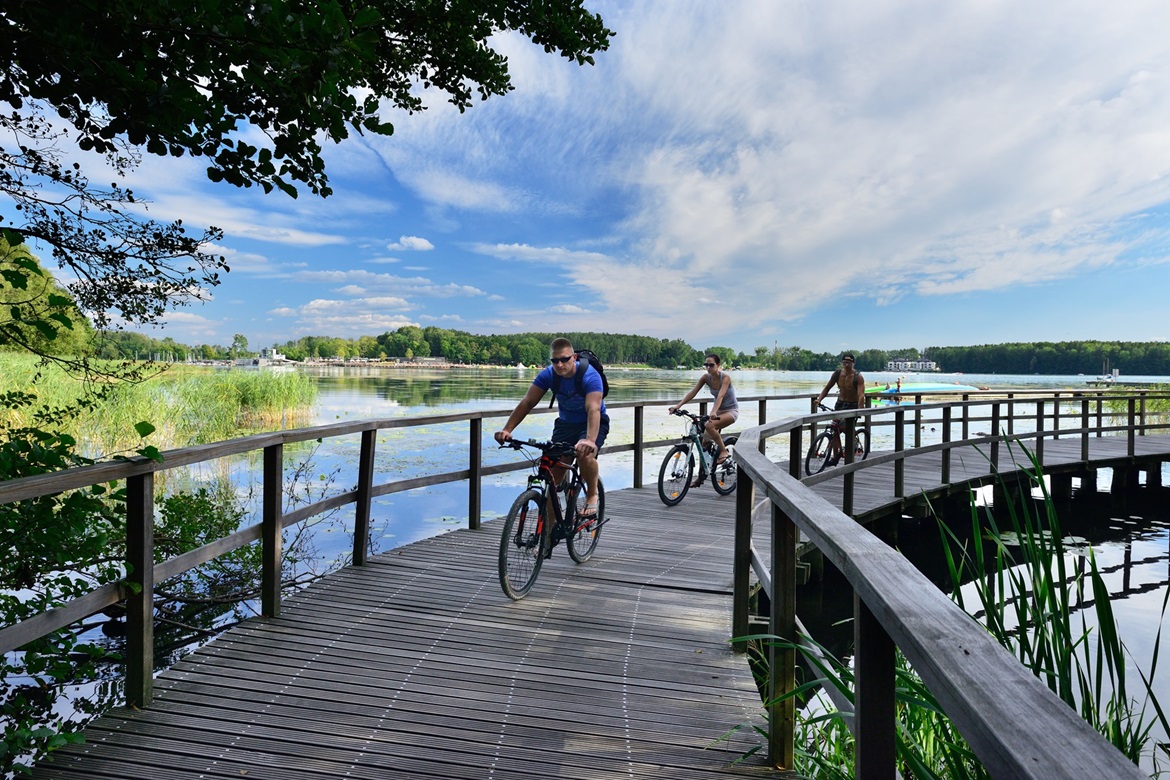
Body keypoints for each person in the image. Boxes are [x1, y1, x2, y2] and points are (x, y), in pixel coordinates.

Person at [495, 338, 609, 518]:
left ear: (574, 357)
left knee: (584, 454)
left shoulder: (590, 376)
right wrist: (507, 429)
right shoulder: (548, 375)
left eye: (565, 359)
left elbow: (593, 409)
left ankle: (592, 494)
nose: (560, 364)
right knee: (551, 479)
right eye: (555, 361)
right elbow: (528, 402)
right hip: (565, 424)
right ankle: (548, 537)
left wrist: (589, 440)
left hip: (593, 421)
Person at [668, 354, 738, 480]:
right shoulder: (706, 378)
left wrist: (713, 412)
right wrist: (678, 406)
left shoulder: (725, 378)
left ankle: (724, 451)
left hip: (730, 411)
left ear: (718, 365)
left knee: (709, 425)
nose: (708, 367)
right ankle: (703, 475)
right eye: (706, 365)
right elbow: (693, 392)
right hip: (717, 412)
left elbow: (721, 396)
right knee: (704, 442)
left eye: (711, 365)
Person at [814, 353, 866, 465]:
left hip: (852, 405)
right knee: (835, 429)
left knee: (845, 428)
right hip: (840, 404)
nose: (846, 365)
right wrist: (819, 400)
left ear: (853, 363)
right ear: (842, 363)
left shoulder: (858, 376)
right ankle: (835, 456)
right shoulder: (837, 374)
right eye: (844, 362)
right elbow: (827, 388)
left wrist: (860, 409)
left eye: (849, 362)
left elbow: (861, 394)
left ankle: (853, 444)